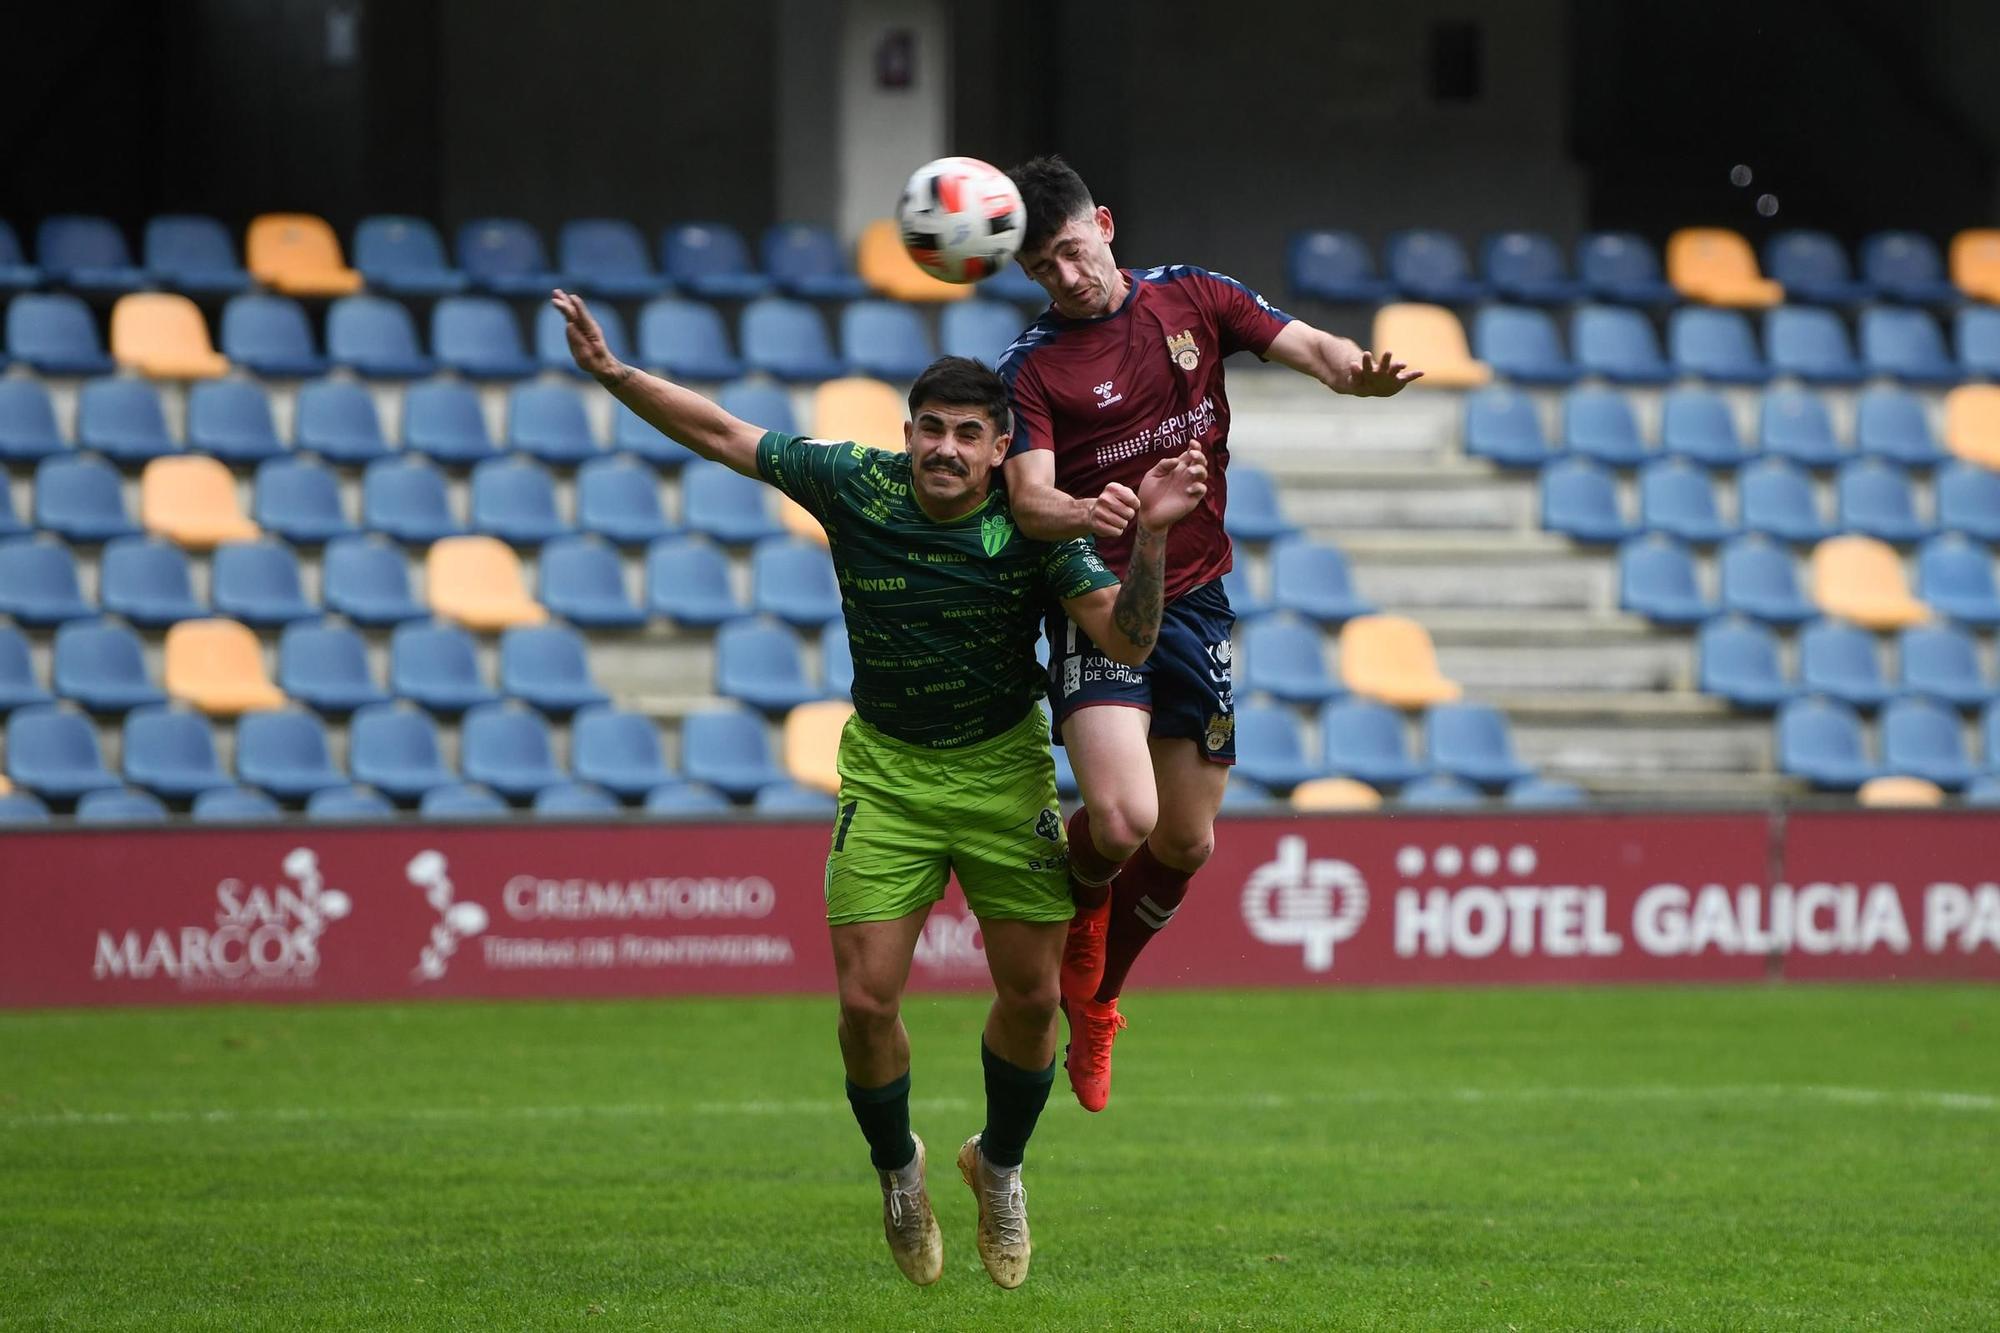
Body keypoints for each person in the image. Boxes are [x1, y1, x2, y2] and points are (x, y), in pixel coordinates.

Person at [553, 291, 1208, 1289]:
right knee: (864, 1002)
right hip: (889, 774)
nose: (943, 448)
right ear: (905, 434)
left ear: (999, 452)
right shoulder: (854, 483)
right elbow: (725, 433)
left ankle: (997, 1163)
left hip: (1001, 770)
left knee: (1032, 997)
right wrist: (612, 373)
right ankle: (898, 1171)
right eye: (930, 430)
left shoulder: (1036, 530)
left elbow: (1123, 639)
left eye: (967, 436)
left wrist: (1152, 538)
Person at [996, 155, 1423, 1113]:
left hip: (1197, 599)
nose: (1065, 279)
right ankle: (1087, 899)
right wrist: (1094, 514)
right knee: (1122, 822)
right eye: (1041, 270)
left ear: (1104, 225)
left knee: (1186, 843)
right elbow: (1027, 503)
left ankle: (1101, 997)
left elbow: (1310, 346)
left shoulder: (1194, 299)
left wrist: (1360, 377)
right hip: (1098, 598)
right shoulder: (1028, 368)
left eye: (1070, 253)